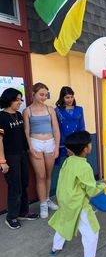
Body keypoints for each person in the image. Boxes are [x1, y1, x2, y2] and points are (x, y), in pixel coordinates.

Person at [48, 131, 106, 257]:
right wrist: (103, 185)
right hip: (78, 204)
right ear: (85, 149)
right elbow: (91, 191)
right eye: (90, 143)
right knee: (92, 231)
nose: (91, 145)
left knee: (64, 222)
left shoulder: (68, 161)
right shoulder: (84, 167)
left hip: (64, 201)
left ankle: (55, 248)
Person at [0, 88, 39, 229]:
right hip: (10, 157)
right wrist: (2, 161)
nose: (19, 102)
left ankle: (23, 212)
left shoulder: (18, 114)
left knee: (24, 183)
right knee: (15, 187)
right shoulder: (1, 117)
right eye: (17, 99)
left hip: (22, 154)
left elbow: (23, 135)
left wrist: (28, 151)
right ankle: (11, 217)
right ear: (8, 99)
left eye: (20, 99)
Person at [23, 83, 60, 219]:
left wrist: (56, 147)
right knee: (41, 176)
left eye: (46, 95)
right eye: (41, 94)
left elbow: (56, 129)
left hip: (50, 143)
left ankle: (48, 199)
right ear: (33, 93)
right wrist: (30, 147)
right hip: (35, 143)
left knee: (49, 175)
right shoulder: (27, 111)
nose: (44, 97)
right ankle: (43, 203)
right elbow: (26, 130)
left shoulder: (50, 109)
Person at [55, 86, 85, 163]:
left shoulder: (79, 109)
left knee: (78, 164)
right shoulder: (57, 111)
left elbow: (81, 126)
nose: (70, 99)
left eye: (72, 97)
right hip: (64, 142)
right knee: (68, 164)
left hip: (77, 141)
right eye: (67, 97)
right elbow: (56, 127)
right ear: (62, 98)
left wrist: (82, 141)